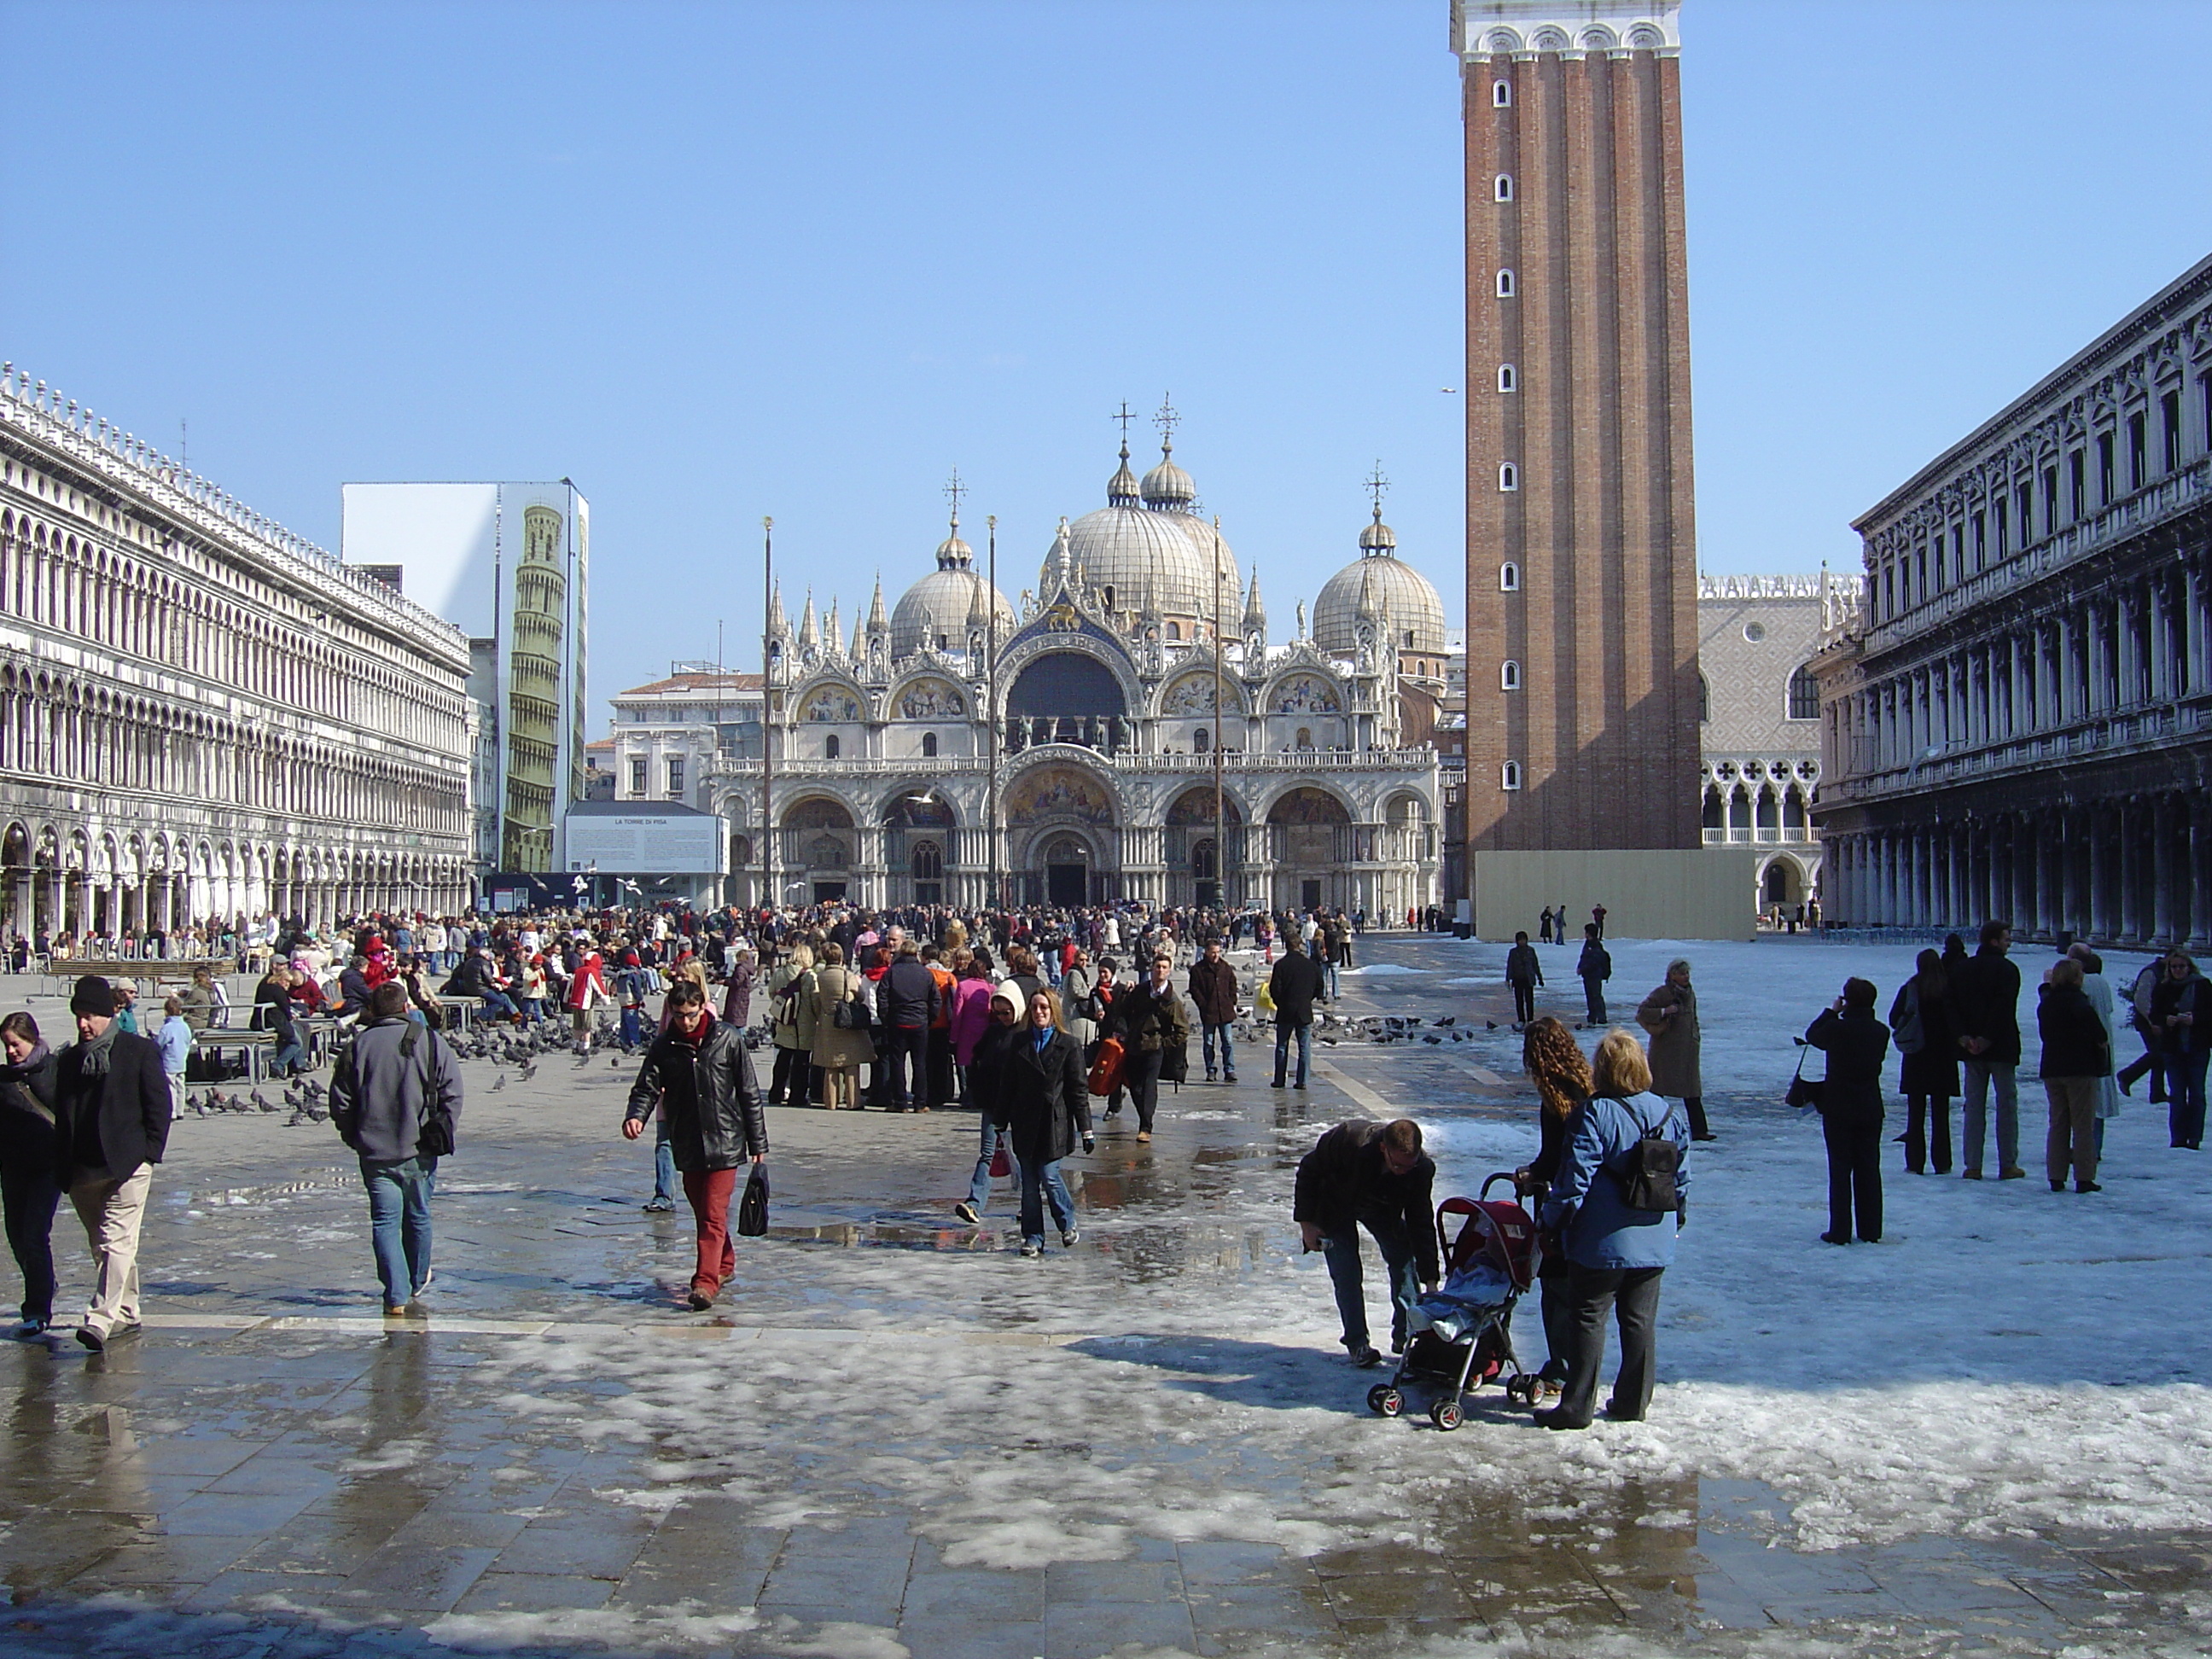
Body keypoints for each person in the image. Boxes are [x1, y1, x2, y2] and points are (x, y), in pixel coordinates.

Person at [1536, 1029, 1687, 1429]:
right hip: (1653, 1235)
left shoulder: (1594, 1113)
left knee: (1588, 1317)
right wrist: (1677, 1220)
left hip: (1601, 1240)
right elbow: (1681, 1178)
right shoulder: (1670, 1114)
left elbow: (1574, 1181)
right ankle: (1633, 1402)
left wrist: (1551, 1222)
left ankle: (1577, 1406)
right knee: (1639, 1323)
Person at [623, 977, 767, 1310]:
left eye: (690, 1013)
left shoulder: (727, 1039)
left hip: (726, 1141)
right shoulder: (664, 1046)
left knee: (714, 1213)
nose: (685, 1021)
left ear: (703, 1007)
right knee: (703, 1211)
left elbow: (749, 1093)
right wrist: (636, 1116)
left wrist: (758, 1143)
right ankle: (725, 1263)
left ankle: (705, 1282)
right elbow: (646, 1086)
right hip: (687, 1141)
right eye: (678, 1015)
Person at [329, 983, 463, 1317]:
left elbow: (340, 1101)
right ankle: (416, 1279)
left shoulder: (358, 1045)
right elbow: (453, 1092)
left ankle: (395, 1293)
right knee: (418, 1215)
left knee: (385, 1222)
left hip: (375, 1150)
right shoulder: (429, 1040)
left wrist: (354, 1135)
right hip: (419, 1147)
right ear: (406, 1007)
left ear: (373, 1011)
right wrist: (443, 1126)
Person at [53, 976, 172, 1351]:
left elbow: (159, 1104)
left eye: (90, 1016)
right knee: (103, 1246)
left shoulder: (137, 1051)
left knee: (116, 1240)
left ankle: (100, 1318)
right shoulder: (71, 1059)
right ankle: (128, 1309)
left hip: (128, 1163)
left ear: (108, 1015)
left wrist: (150, 1154)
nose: (83, 1025)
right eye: (78, 1017)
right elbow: (63, 1112)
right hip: (84, 1169)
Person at [1293, 1118, 1439, 1368]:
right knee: (1347, 1272)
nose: (1405, 1170)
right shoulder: (1349, 1140)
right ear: (1384, 1148)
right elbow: (1308, 1170)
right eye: (1398, 1165)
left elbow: (1421, 1221)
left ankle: (1407, 1337)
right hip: (1334, 1205)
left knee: (1403, 1258)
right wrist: (1307, 1224)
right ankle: (1358, 1343)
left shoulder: (1420, 1169)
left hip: (1381, 1206)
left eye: (1410, 1165)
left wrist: (1431, 1280)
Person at [1516, 1017, 1591, 1400]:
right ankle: (1578, 1363)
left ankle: (1562, 1366)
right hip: (1592, 1203)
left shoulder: (1554, 1098)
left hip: (1562, 1204)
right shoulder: (1588, 1084)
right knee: (1581, 1292)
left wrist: (1530, 1176)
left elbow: (1556, 1156)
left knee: (1557, 1288)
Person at [990, 988, 1092, 1258]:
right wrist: (1000, 1120)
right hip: (1025, 1121)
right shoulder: (1020, 1042)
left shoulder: (1068, 1044)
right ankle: (1033, 1237)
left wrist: (1086, 1129)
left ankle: (1067, 1221)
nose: (1039, 1013)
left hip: (1054, 1123)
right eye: (1035, 1007)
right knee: (1029, 1183)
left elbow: (1078, 1089)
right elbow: (1007, 1085)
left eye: (1044, 1007)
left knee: (1049, 1174)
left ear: (1053, 1011)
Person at [1804, 979, 1890, 1244]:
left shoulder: (1837, 1029)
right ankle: (1871, 1228)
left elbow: (1812, 1035)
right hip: (1870, 1105)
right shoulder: (1880, 1031)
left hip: (1839, 1105)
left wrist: (1831, 1011)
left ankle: (1840, 1229)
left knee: (1840, 1169)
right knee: (1869, 1168)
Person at [0, 1013, 61, 1337]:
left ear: (32, 1039)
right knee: (17, 1238)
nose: (11, 1052)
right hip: (13, 1168)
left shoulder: (54, 1070)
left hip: (47, 1166)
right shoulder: (3, 1079)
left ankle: (37, 1309)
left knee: (35, 1234)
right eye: (6, 1046)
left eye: (15, 1044)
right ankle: (44, 1281)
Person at [1952, 920, 2024, 1179]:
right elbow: (2003, 1008)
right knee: (2006, 1105)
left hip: (1970, 1048)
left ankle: (1973, 1164)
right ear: (1994, 941)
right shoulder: (2008, 970)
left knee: (1973, 1108)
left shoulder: (1963, 969)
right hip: (2000, 1046)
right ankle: (2007, 1163)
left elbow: (1952, 1006)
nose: (2009, 942)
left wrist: (1964, 1038)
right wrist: (1987, 1038)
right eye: (2006, 938)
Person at [2037, 957, 2109, 1193]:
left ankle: (2055, 1174)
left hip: (2052, 1067)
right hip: (2079, 1067)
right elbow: (2099, 1033)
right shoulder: (2079, 1002)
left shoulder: (2047, 1003)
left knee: (2058, 1123)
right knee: (2082, 1124)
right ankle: (2084, 1175)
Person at [954, 986, 1022, 1225]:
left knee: (1019, 1156)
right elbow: (976, 1058)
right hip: (993, 1103)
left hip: (1018, 1104)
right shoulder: (993, 1032)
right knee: (987, 1154)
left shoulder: (1025, 1034)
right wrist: (976, 1086)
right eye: (999, 1013)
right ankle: (974, 1203)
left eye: (1007, 1013)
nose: (1003, 1018)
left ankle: (1028, 1203)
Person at [1889, 950, 1959, 1173]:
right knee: (1941, 1114)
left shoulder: (1911, 987)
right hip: (1943, 1056)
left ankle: (1915, 1162)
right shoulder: (1948, 988)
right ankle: (1942, 1162)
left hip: (1916, 1055)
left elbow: (1893, 1018)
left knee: (1915, 1113)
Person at [1110, 952, 1189, 1143]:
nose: (1160, 971)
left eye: (1163, 967)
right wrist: (1123, 1031)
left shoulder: (1172, 1000)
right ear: (1152, 969)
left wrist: (1164, 1043)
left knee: (1149, 1085)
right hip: (1135, 1044)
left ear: (1169, 971)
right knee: (1135, 1085)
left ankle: (1146, 1126)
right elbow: (1124, 1010)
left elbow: (1182, 1030)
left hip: (1155, 1049)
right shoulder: (1141, 991)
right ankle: (1143, 1117)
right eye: (1157, 967)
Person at [1636, 959, 1712, 1141]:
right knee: (1657, 1090)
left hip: (1687, 1051)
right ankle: (1648, 1127)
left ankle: (1700, 1130)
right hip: (1665, 1051)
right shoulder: (1663, 993)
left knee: (1692, 1091)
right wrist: (1664, 1011)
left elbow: (1693, 1018)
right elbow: (1642, 1012)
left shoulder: (1689, 993)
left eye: (1687, 973)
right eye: (1682, 973)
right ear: (1672, 975)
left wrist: (1695, 1037)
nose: (1686, 977)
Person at [2149, 947, 2211, 1150]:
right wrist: (2165, 1019)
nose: (2178, 970)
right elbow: (2154, 1013)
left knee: (2196, 1093)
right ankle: (2177, 1138)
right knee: (2176, 1094)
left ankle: (2194, 1138)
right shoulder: (2163, 987)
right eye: (2174, 967)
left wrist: (2195, 1019)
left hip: (2197, 1046)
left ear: (2189, 967)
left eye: (2181, 966)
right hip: (2172, 1047)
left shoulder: (2202, 986)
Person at [806, 943, 875, 1110]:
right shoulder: (847, 976)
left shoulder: (820, 977)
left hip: (827, 1022)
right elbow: (860, 995)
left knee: (830, 1065)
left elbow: (815, 1001)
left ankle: (830, 1102)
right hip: (846, 1021)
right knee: (851, 1063)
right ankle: (853, 1102)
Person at [2071, 944, 2124, 1160]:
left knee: (2087, 1102)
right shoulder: (2102, 982)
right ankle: (2095, 1147)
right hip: (2102, 1044)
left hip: (2087, 1047)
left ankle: (2088, 1149)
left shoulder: (2084, 984)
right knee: (2098, 1101)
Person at [876, 940, 940, 1112]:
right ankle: (920, 1103)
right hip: (920, 1022)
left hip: (898, 1021)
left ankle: (900, 1102)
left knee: (898, 1063)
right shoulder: (925, 973)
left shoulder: (892, 972)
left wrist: (886, 1018)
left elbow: (882, 996)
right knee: (919, 1063)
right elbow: (935, 999)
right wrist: (929, 1019)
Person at [1267, 935, 1325, 1091]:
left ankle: (1279, 1080)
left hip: (1285, 1010)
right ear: (1299, 946)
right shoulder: (1310, 965)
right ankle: (1302, 1080)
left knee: (1281, 1046)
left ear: (1286, 946)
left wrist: (1280, 1002)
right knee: (1304, 1047)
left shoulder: (1281, 965)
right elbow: (1320, 985)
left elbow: (1274, 989)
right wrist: (1308, 998)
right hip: (1304, 1010)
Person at [765, 942, 815, 1105]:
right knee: (801, 1063)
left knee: (783, 1060)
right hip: (803, 1025)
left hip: (785, 1022)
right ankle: (797, 1096)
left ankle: (776, 1093)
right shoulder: (809, 976)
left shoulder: (780, 972)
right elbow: (814, 1001)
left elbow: (772, 992)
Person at [1188, 938, 1239, 1084]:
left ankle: (1229, 1070)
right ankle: (1211, 1070)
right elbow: (1194, 989)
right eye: (1213, 952)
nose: (1216, 955)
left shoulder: (1225, 967)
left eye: (1218, 952)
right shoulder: (1198, 969)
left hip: (1225, 1011)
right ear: (1206, 952)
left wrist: (1232, 1000)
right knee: (1209, 1042)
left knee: (1228, 1041)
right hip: (1209, 1011)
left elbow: (1232, 984)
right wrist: (1203, 1004)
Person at [154, 997, 192, 1121]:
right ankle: (181, 1110)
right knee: (181, 1086)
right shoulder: (185, 1026)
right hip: (181, 1061)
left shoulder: (167, 1028)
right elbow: (188, 1041)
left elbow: (159, 1044)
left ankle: (172, 1112)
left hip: (169, 1062)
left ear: (166, 1011)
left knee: (171, 1088)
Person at [1505, 931, 1544, 1029]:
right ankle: (1521, 1019)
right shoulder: (1513, 952)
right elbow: (1510, 966)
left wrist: (1539, 977)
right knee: (1519, 1001)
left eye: (1524, 940)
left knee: (1529, 1000)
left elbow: (1535, 964)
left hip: (1528, 978)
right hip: (1517, 979)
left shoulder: (1530, 950)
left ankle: (1530, 1019)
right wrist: (1508, 979)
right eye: (1520, 940)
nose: (1522, 942)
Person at [1575, 925, 1611, 1027]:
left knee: (1595, 995)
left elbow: (1593, 961)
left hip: (1594, 975)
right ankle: (1592, 1016)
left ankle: (1600, 1017)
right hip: (1588, 975)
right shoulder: (1588, 944)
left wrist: (1583, 968)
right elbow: (1584, 958)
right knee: (1591, 996)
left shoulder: (1595, 945)